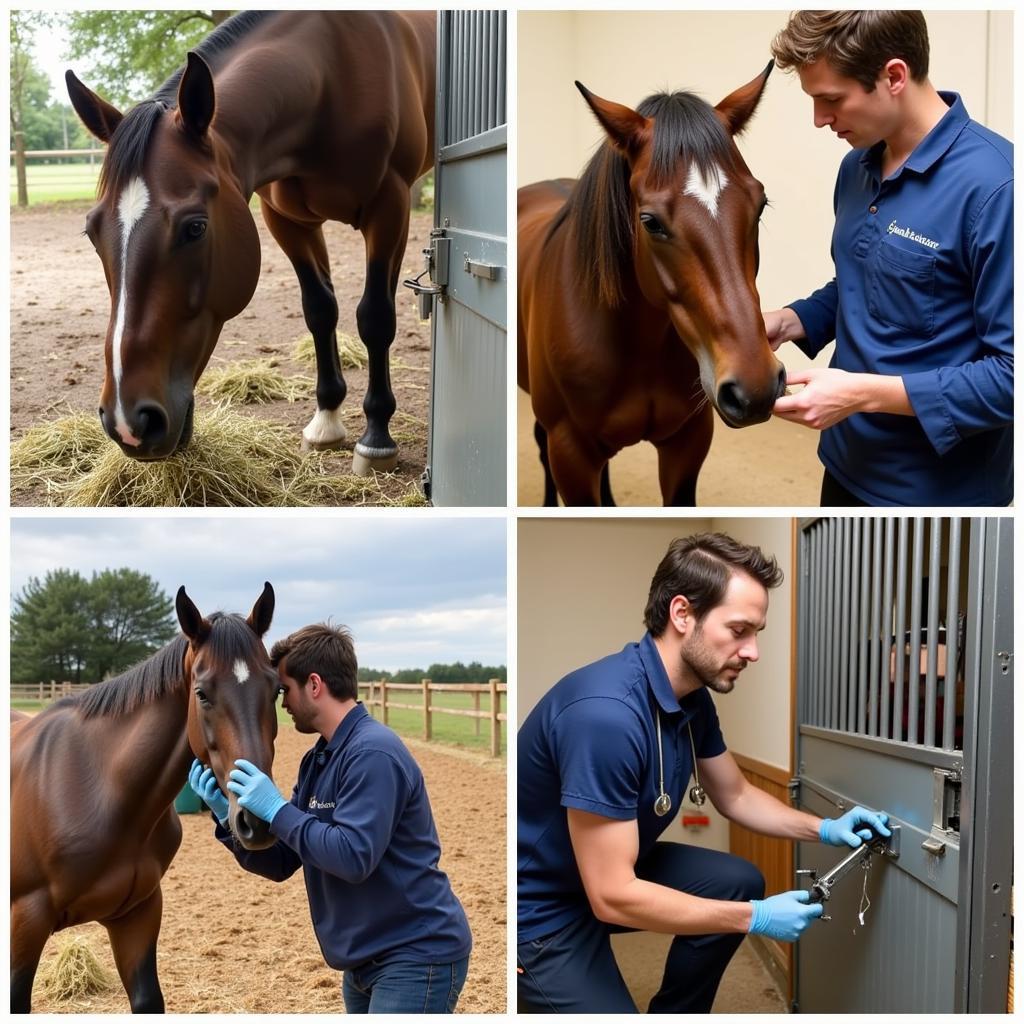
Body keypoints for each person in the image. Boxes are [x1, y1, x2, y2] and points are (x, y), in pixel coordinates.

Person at [517, 533, 891, 1013]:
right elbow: (611, 896)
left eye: (756, 633)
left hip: (610, 872)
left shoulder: (692, 696)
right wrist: (752, 919)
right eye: (739, 630)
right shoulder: (606, 716)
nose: (753, 651)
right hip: (543, 908)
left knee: (737, 880)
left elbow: (734, 795)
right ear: (681, 615)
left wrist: (825, 828)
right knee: (740, 905)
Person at [763, 10, 1012, 507]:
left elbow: (1010, 376)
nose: (820, 119)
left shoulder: (998, 188)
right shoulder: (855, 167)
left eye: (831, 99)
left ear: (894, 76)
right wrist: (792, 320)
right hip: (845, 460)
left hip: (935, 492)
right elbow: (865, 283)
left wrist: (859, 394)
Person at [188, 623, 472, 1014]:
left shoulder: (373, 754)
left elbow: (353, 857)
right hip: (361, 960)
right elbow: (283, 860)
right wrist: (226, 817)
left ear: (315, 685)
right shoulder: (319, 759)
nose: (282, 704)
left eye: (284, 690)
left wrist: (278, 810)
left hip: (415, 956)